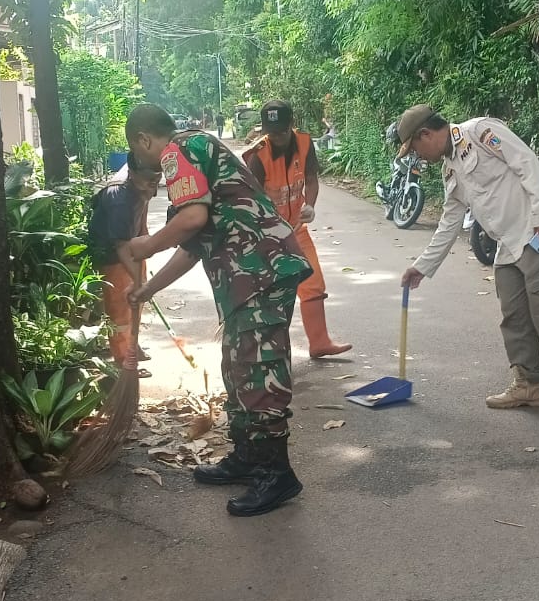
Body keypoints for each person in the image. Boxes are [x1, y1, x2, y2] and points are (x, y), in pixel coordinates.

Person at [117, 103, 312, 516]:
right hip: (249, 276)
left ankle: (276, 474)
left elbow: (190, 219)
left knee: (260, 370)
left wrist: (145, 246)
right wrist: (147, 288)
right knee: (238, 367)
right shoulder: (197, 152)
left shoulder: (178, 151)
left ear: (143, 140)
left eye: (139, 155)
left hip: (262, 270)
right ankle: (247, 457)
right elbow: (193, 244)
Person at [398, 103, 539, 422]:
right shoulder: (451, 168)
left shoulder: (480, 131)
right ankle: (528, 384)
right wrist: (421, 267)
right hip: (509, 246)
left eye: (415, 148)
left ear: (426, 134)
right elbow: (450, 221)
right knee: (514, 314)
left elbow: (525, 162)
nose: (417, 156)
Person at [242, 98, 352, 359]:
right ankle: (271, 353)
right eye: (271, 132)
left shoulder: (304, 143)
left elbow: (311, 179)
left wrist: (310, 206)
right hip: (267, 233)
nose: (276, 137)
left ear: (291, 124)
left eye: (281, 131)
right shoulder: (257, 155)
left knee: (312, 282)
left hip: (296, 228)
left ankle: (319, 342)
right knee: (273, 292)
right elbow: (251, 200)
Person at [88, 165, 160, 364]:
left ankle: (132, 344)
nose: (152, 186)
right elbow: (120, 246)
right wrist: (139, 280)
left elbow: (144, 203)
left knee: (137, 300)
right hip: (111, 253)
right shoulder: (119, 197)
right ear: (133, 176)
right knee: (120, 308)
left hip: (131, 244)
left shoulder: (149, 172)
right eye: (148, 182)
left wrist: (145, 240)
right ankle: (122, 361)